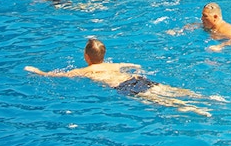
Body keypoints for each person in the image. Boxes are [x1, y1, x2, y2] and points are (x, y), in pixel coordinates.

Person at [25, 38, 217, 117]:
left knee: (159, 101)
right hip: (137, 78)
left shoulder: (87, 70)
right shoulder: (113, 64)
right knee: (168, 90)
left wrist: (38, 72)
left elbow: (59, 75)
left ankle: (194, 109)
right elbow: (131, 65)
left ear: (86, 57)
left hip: (124, 86)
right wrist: (136, 67)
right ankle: (206, 98)